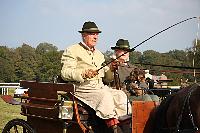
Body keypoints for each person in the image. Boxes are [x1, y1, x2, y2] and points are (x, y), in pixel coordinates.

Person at [61, 21, 131, 132]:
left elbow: (107, 78)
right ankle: (113, 128)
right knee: (105, 96)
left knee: (120, 95)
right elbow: (65, 73)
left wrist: (111, 69)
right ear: (84, 35)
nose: (95, 37)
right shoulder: (72, 50)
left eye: (97, 34)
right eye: (92, 34)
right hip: (82, 88)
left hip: (99, 87)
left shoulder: (99, 54)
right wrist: (84, 73)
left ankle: (126, 125)